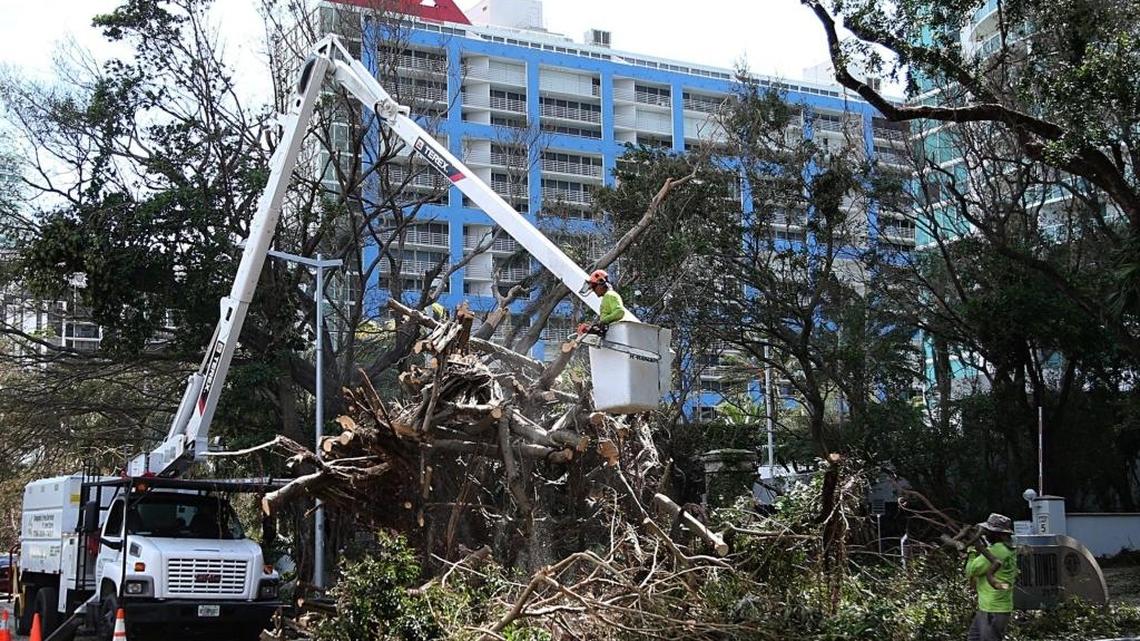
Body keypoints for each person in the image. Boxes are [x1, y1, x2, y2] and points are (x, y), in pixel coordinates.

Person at [965, 513, 1018, 641]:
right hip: (990, 608)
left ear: (997, 534)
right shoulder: (1008, 548)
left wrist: (971, 552)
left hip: (992, 610)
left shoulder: (997, 550)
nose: (986, 534)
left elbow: (972, 570)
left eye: (989, 531)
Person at [577, 269, 627, 340]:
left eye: (594, 287)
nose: (593, 290)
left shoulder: (610, 295)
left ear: (601, 282)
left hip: (616, 335)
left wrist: (604, 321)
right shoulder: (606, 297)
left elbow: (620, 312)